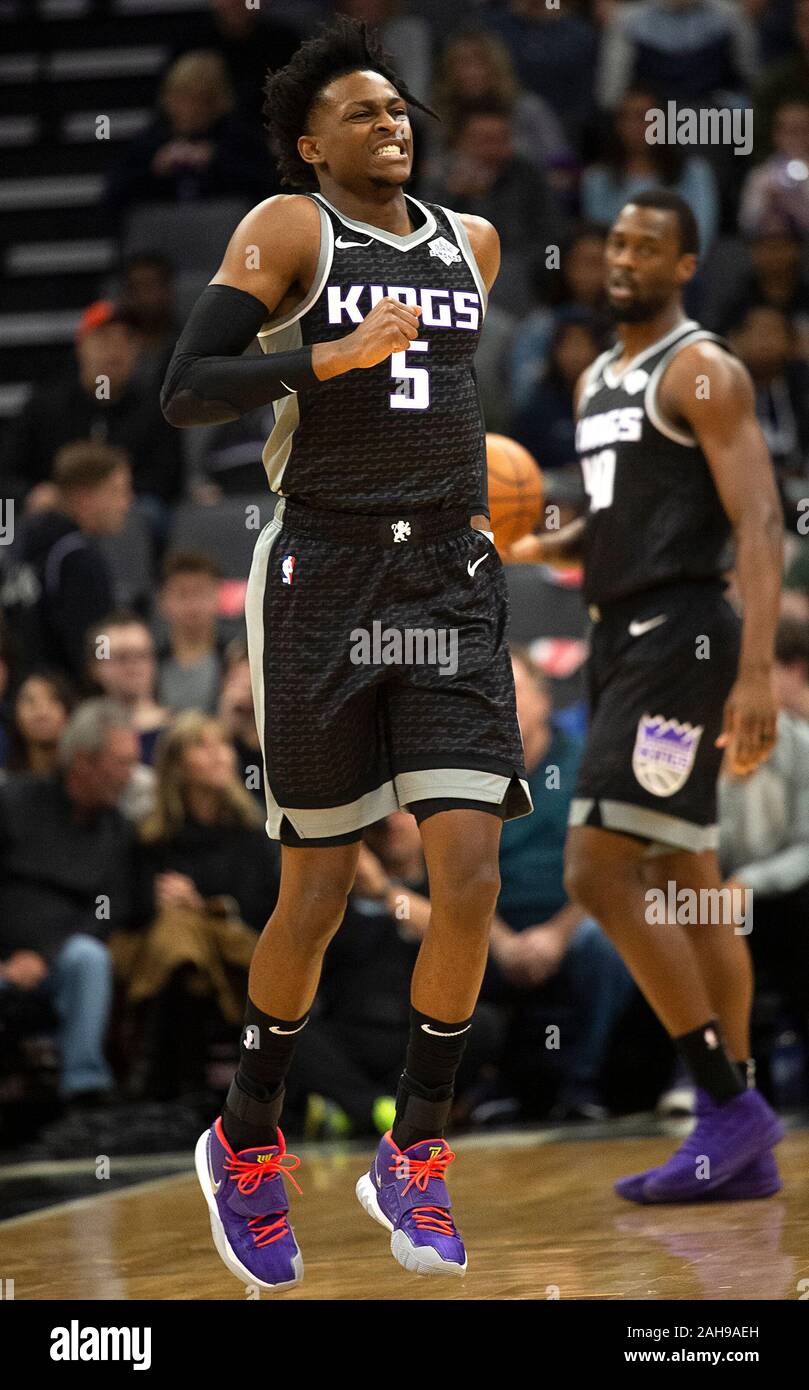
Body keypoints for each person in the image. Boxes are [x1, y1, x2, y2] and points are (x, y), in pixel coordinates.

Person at [161, 16, 532, 1288]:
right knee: (314, 891)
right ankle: (247, 1133)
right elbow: (187, 383)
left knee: (468, 869)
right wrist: (320, 355)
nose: (390, 124)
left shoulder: (467, 241)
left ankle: (414, 1150)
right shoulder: (290, 228)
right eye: (362, 113)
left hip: (448, 569)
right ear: (311, 144)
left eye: (397, 109)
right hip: (321, 568)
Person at [513, 190, 786, 1204]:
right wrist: (544, 541)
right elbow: (616, 512)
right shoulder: (594, 376)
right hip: (619, 636)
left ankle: (722, 1104)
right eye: (613, 242)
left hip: (680, 637)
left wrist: (754, 671)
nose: (621, 257)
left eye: (644, 247)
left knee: (592, 868)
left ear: (681, 267)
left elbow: (758, 523)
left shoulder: (701, 368)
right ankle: (741, 1140)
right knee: (687, 882)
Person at [486, 651, 635, 1120]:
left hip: (579, 918)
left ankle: (580, 1087)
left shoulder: (590, 766)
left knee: (605, 942)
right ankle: (483, 1086)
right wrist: (503, 942)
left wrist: (557, 934)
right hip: (490, 926)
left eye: (514, 689)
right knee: (432, 940)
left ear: (545, 701)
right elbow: (445, 876)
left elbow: (618, 868)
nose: (500, 701)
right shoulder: (467, 780)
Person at [122, 712, 280, 1100]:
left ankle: (162, 1080)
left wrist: (200, 905)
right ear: (176, 766)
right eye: (201, 745)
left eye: (223, 744)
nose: (219, 755)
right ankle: (181, 1085)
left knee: (182, 935)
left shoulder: (252, 833)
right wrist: (155, 900)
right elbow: (127, 908)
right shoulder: (151, 838)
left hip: (239, 955)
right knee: (179, 941)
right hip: (174, 960)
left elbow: (264, 909)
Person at [0, 700, 139, 1106]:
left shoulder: (118, 830)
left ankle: (84, 1090)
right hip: (5, 956)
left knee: (89, 957)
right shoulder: (14, 804)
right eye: (121, 764)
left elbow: (110, 912)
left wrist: (44, 955)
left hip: (62, 957)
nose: (130, 777)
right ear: (83, 761)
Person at [0, 301, 184, 513]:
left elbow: (168, 480)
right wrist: (35, 493)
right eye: (104, 338)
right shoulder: (44, 406)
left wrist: (110, 494)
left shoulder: (154, 410)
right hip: (57, 508)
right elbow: (7, 474)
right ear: (81, 346)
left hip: (128, 512)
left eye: (126, 340)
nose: (115, 350)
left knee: (148, 510)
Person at [0, 441, 131, 683]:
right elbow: (96, 646)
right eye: (117, 491)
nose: (126, 503)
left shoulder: (21, 541)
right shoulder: (80, 558)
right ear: (84, 498)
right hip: (64, 699)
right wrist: (101, 681)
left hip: (19, 698)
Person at [104, 50, 277, 216]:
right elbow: (113, 198)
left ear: (217, 102)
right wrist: (156, 168)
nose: (189, 109)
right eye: (181, 98)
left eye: (199, 100)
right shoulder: (150, 141)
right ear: (168, 98)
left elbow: (267, 188)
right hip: (165, 236)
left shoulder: (238, 138)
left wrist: (216, 160)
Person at [581, 86, 719, 257]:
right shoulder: (597, 178)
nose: (636, 127)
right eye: (626, 118)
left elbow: (699, 236)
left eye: (644, 117)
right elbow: (601, 237)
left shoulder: (695, 172)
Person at [85, 613, 171, 766]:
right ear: (96, 667)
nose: (133, 666)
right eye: (120, 657)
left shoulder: (178, 730)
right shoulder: (83, 733)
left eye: (141, 655)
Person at [157, 551, 225, 714]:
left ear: (218, 598)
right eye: (182, 594)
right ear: (162, 601)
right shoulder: (149, 662)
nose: (192, 604)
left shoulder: (235, 660)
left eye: (201, 593)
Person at [5, 672, 75, 776]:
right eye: (29, 701)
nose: (42, 712)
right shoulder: (4, 785)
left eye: (54, 699)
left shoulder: (88, 784)